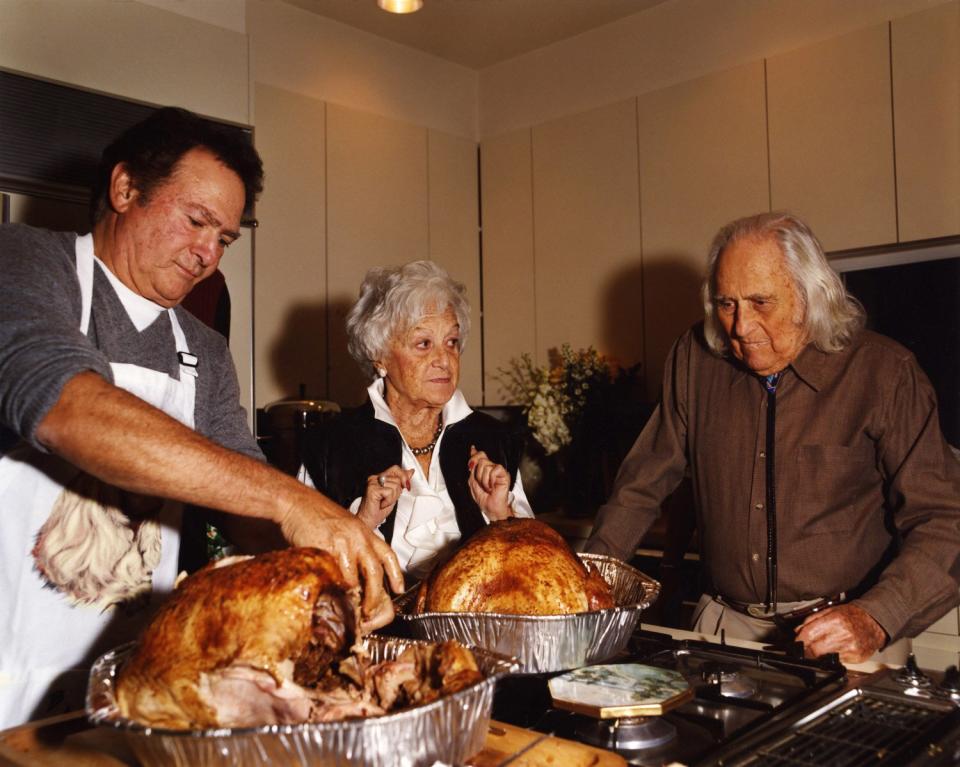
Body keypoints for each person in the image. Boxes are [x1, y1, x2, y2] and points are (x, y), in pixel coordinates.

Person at [0, 107, 401, 727]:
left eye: (225, 239)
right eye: (196, 222)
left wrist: (325, 578)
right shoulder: (24, 262)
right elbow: (66, 407)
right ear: (125, 188)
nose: (208, 256)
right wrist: (292, 502)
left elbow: (243, 506)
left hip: (139, 679)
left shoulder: (202, 349)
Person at [585, 211, 960, 665]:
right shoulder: (694, 361)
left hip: (846, 632)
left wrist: (878, 615)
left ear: (809, 297)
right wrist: (588, 576)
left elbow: (944, 519)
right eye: (726, 304)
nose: (740, 327)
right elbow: (639, 486)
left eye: (761, 302)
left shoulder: (884, 374)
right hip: (722, 628)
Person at [300, 260, 534, 580]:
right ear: (379, 355)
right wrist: (362, 521)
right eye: (423, 344)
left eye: (451, 342)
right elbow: (304, 577)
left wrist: (500, 515)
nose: (444, 359)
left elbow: (535, 569)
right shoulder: (328, 447)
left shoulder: (495, 440)